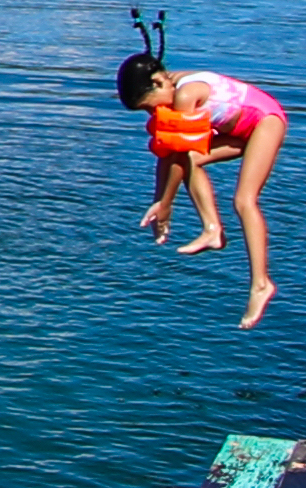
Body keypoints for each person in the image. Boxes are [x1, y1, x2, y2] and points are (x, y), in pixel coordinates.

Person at [121, 50, 290, 328]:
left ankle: (261, 284)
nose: (153, 114)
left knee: (244, 200)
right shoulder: (169, 85)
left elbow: (178, 151)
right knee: (191, 159)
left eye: (149, 107)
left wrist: (167, 202)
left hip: (265, 122)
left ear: (159, 82)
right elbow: (169, 154)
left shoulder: (185, 96)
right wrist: (159, 203)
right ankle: (212, 230)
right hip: (239, 130)